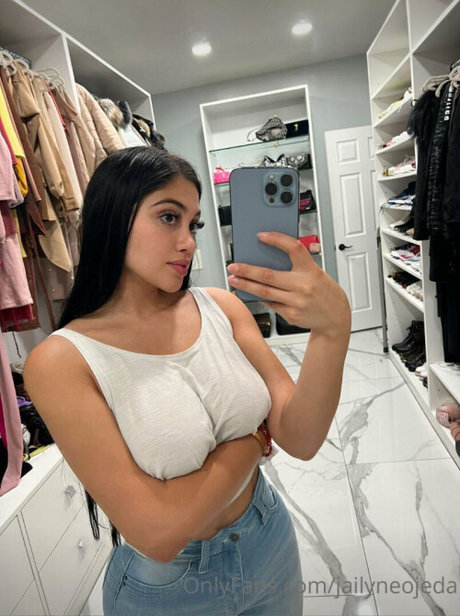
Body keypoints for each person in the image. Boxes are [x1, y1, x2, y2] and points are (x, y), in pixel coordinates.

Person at [24, 146, 351, 616]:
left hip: (269, 539)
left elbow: (300, 438)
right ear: (114, 218)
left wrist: (332, 330)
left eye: (193, 224)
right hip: (169, 589)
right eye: (168, 217)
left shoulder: (223, 307)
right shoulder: (62, 360)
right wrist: (252, 443)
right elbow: (156, 534)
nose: (188, 242)